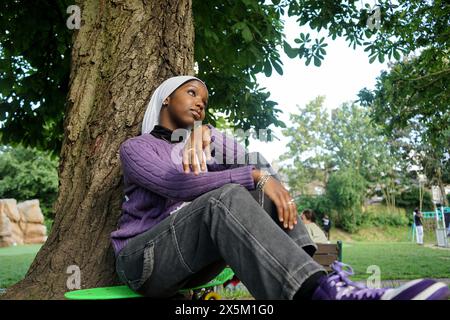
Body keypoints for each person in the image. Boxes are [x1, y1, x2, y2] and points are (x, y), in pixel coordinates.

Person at [111, 75, 449, 300]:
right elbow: (178, 184)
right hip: (143, 262)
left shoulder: (205, 148)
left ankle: (322, 284)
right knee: (228, 195)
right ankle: (322, 294)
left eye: (205, 98)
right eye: (191, 92)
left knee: (266, 189)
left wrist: (212, 135)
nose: (200, 101)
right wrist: (254, 177)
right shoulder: (137, 147)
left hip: (192, 263)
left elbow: (263, 170)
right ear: (166, 99)